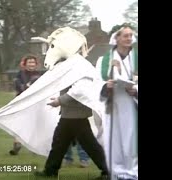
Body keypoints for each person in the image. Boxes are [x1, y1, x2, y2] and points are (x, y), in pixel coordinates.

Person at [34, 28, 109, 180]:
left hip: (76, 114)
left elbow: (79, 90)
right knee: (59, 142)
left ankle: (108, 171)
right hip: (70, 114)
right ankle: (51, 170)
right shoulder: (71, 63)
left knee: (88, 145)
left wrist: (59, 101)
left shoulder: (80, 66)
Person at [95, 23, 138, 180]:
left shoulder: (137, 58)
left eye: (130, 36)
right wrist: (107, 85)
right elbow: (97, 81)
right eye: (125, 35)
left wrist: (136, 90)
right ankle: (117, 171)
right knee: (114, 140)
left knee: (131, 139)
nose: (129, 38)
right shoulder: (104, 60)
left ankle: (133, 172)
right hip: (113, 105)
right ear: (117, 38)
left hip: (132, 106)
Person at [9, 54, 41, 155]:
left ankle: (33, 147)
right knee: (20, 123)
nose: (31, 64)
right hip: (21, 102)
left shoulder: (39, 75)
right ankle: (17, 143)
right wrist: (26, 87)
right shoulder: (20, 74)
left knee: (34, 124)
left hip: (35, 103)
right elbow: (19, 87)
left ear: (36, 64)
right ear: (25, 64)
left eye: (33, 62)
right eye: (29, 62)